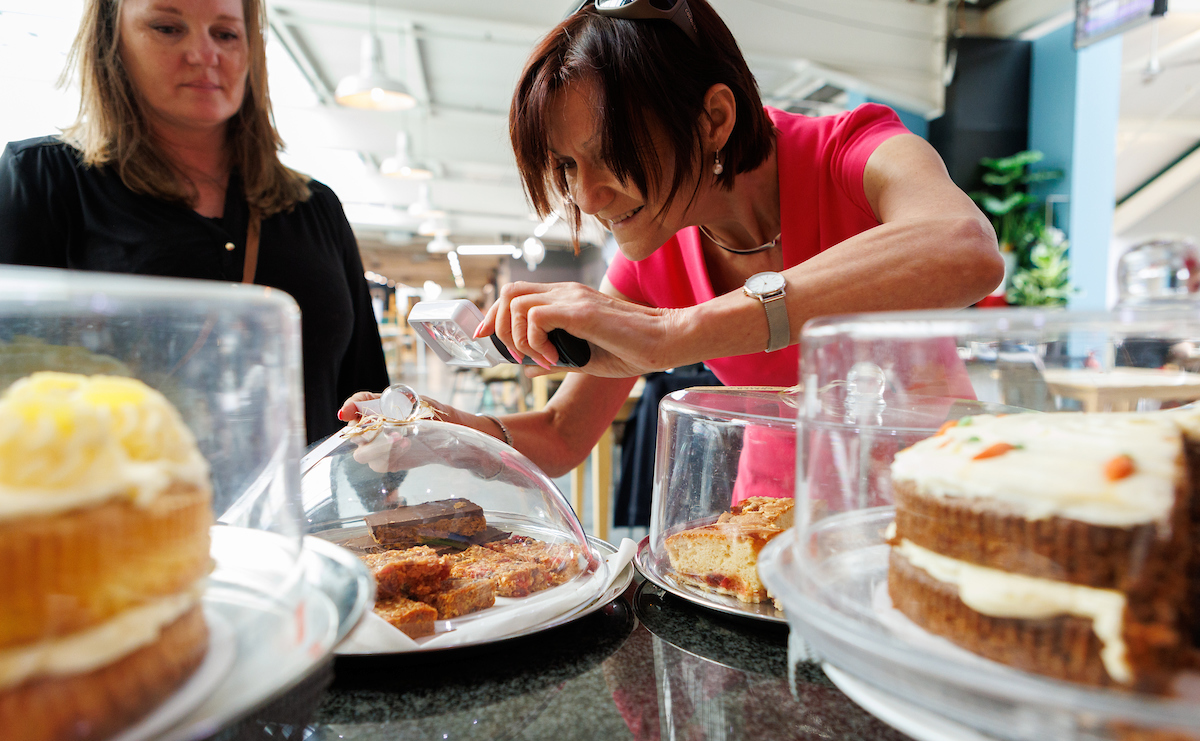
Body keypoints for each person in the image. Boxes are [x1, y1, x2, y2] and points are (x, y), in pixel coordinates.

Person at [342, 0, 1002, 477]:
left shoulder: (848, 153)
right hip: (770, 525)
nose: (587, 197)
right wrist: (447, 433)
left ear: (714, 117)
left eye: (613, 152)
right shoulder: (651, 256)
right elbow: (562, 435)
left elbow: (964, 246)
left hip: (936, 496)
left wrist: (674, 333)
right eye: (568, 166)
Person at [0, 0, 388, 445]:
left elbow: (367, 391)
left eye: (226, 34)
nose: (204, 53)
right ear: (111, 41)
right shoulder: (43, 180)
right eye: (167, 28)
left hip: (305, 513)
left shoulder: (313, 206)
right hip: (120, 509)